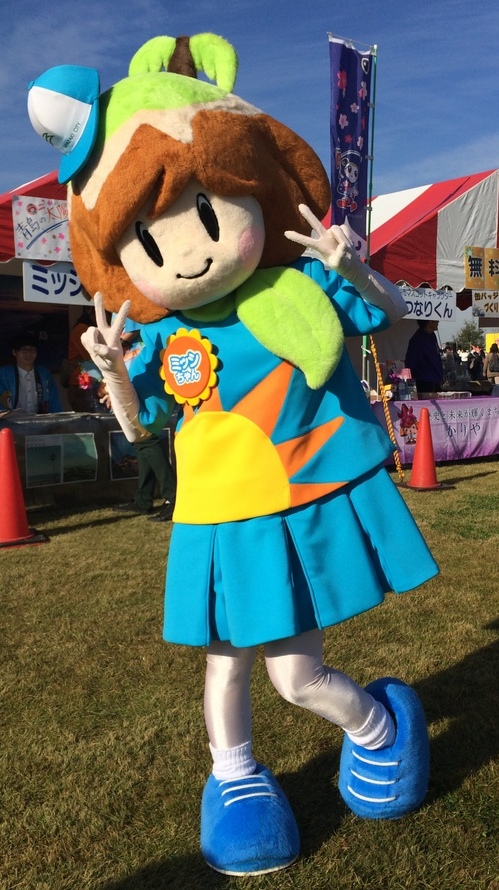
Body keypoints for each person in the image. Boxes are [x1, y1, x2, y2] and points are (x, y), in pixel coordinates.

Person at [32, 35, 438, 876]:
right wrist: (115, 374)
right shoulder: (157, 334)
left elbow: (393, 318)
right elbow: (140, 428)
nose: (187, 252)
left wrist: (358, 271)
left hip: (292, 500)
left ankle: (376, 726)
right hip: (218, 514)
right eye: (149, 240)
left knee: (296, 676)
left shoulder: (298, 287)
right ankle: (235, 775)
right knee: (225, 666)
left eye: (206, 214)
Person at [113, 322, 176, 522]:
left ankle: (173, 497)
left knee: (145, 438)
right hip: (144, 380)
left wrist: (118, 341)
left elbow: (134, 329)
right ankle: (143, 498)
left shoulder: (154, 323)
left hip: (153, 384)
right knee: (143, 442)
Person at [0, 331, 62, 413]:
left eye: (32, 350)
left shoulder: (44, 374)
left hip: (41, 419)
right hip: (10, 420)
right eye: (24, 350)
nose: (28, 354)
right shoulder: (3, 375)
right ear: (14, 352)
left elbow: (54, 404)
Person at [66, 306, 109, 412]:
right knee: (87, 418)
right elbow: (91, 355)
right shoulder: (82, 329)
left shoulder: (85, 328)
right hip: (83, 384)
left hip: (91, 382)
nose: (106, 318)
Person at [404, 319, 444, 395]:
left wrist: (440, 375)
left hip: (435, 381)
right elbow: (410, 362)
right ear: (429, 322)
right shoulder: (417, 340)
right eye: (435, 320)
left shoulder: (432, 336)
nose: (438, 322)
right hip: (424, 382)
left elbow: (436, 357)